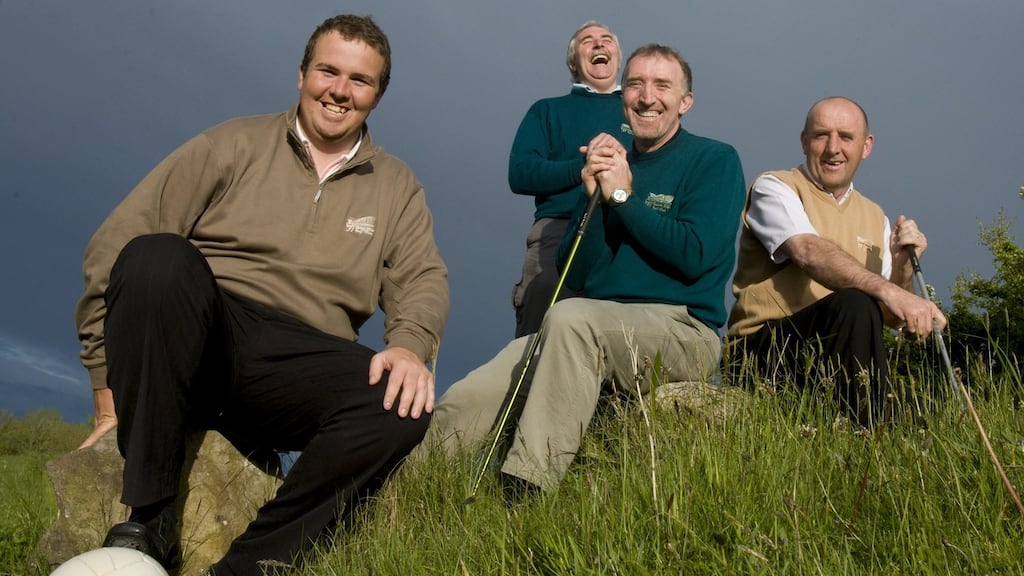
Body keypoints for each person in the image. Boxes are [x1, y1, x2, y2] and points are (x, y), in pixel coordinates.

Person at [73, 14, 448, 575]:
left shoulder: (396, 185)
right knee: (156, 256)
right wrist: (107, 391)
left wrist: (409, 346)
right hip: (204, 335)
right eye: (327, 71)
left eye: (360, 80)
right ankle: (146, 521)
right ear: (301, 74)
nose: (339, 91)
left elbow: (422, 279)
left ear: (378, 94)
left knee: (400, 402)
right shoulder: (232, 142)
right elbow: (117, 244)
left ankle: (253, 565)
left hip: (300, 363)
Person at [433, 44, 745, 493]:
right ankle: (398, 499)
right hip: (586, 325)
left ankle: (525, 492)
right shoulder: (609, 165)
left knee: (572, 318)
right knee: (470, 394)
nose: (647, 96)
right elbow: (573, 276)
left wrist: (623, 199)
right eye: (635, 84)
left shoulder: (713, 160)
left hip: (683, 329)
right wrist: (593, 199)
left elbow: (695, 255)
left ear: (685, 101)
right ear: (623, 98)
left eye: (663, 86)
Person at [725, 96, 945, 427]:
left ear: (866, 146)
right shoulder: (775, 187)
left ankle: (881, 428)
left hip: (836, 354)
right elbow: (807, 251)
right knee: (855, 301)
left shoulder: (876, 217)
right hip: (763, 351)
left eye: (846, 136)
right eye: (820, 135)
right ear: (803, 141)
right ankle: (877, 427)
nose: (833, 148)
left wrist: (900, 266)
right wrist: (889, 292)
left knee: (862, 305)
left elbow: (887, 315)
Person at [508, 20, 632, 338]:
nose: (599, 44)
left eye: (607, 39)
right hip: (560, 229)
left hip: (628, 230)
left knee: (620, 331)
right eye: (587, 41)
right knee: (545, 317)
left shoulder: (642, 113)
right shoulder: (547, 110)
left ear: (618, 56)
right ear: (573, 63)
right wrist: (582, 167)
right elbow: (520, 173)